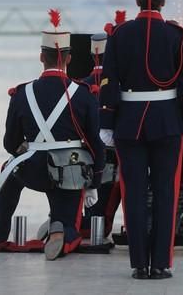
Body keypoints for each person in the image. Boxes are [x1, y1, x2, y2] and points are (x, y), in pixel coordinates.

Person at [99, 0, 183, 279]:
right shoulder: (176, 35)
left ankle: (139, 265)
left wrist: (106, 122)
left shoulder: (119, 34)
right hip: (168, 123)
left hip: (128, 124)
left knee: (134, 194)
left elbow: (108, 82)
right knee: (165, 194)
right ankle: (160, 264)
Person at [0, 10, 105, 260]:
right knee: (72, 226)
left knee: (9, 170)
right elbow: (96, 144)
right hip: (69, 172)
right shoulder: (84, 94)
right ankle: (61, 230)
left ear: (41, 57)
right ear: (69, 58)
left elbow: (10, 143)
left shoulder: (21, 93)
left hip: (31, 171)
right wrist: (93, 181)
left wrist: (26, 150)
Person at [79, 32, 121, 239]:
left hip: (88, 159)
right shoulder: (122, 83)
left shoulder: (79, 87)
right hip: (119, 156)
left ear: (91, 54)